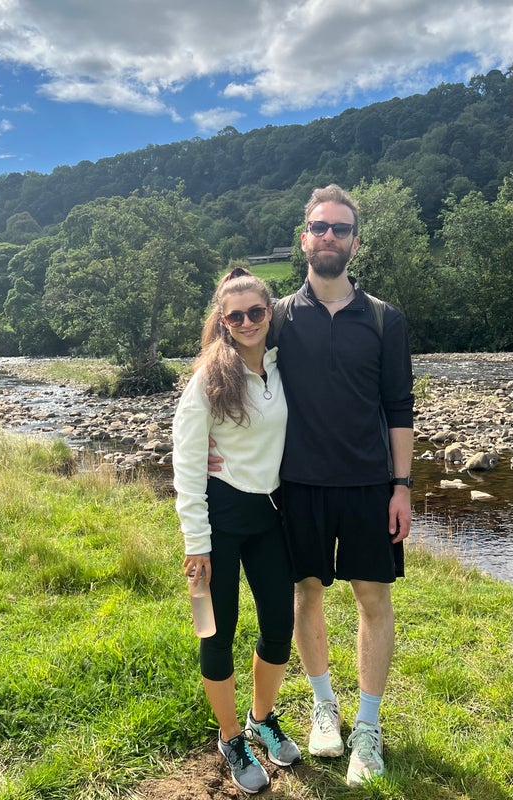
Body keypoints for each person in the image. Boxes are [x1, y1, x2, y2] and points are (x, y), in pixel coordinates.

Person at [209, 185, 414, 787]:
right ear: (304, 239)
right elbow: (230, 364)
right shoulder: (276, 318)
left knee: (373, 599)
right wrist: (210, 436)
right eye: (320, 227)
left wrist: (402, 486)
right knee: (306, 594)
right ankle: (325, 708)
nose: (329, 237)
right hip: (297, 485)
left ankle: (368, 726)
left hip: (370, 484)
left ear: (354, 242)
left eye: (340, 229)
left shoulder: (385, 319)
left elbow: (399, 407)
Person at [172, 267, 301, 794]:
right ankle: (230, 738)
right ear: (223, 321)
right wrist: (196, 542)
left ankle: (260, 718)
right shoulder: (210, 378)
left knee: (279, 625)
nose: (247, 322)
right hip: (219, 520)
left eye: (256, 312)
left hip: (270, 515)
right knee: (216, 632)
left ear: (270, 313)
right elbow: (186, 461)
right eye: (236, 316)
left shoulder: (284, 364)